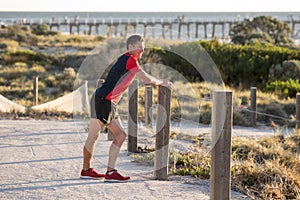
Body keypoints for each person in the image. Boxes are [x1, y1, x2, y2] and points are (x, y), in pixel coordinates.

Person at [80, 34, 174, 182]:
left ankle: (86, 170)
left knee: (95, 136)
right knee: (119, 135)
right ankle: (109, 172)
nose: (142, 51)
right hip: (105, 101)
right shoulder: (130, 60)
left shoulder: (126, 59)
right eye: (140, 49)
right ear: (130, 47)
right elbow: (147, 79)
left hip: (102, 99)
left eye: (143, 49)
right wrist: (162, 82)